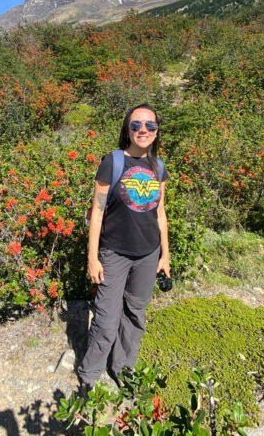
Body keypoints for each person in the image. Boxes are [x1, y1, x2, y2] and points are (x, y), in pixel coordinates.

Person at [76, 103, 170, 393]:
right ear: (127, 129)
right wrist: (93, 257)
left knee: (135, 315)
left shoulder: (159, 167)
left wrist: (165, 255)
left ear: (156, 131)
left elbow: (160, 213)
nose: (143, 130)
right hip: (114, 253)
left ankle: (123, 370)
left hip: (148, 253)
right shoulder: (113, 162)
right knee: (106, 318)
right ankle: (89, 375)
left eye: (150, 126)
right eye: (136, 125)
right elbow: (98, 213)